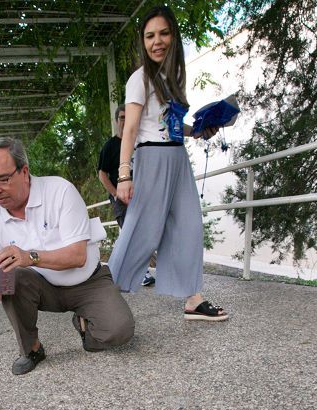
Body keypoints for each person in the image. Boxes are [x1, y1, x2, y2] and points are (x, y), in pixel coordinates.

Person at [0, 137, 135, 375]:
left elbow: (77, 256)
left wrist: (29, 257)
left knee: (120, 331)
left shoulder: (60, 191)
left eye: (3, 179)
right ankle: (32, 349)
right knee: (13, 277)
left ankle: (84, 324)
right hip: (42, 288)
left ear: (24, 172)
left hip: (87, 281)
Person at [108, 5, 229, 321]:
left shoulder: (173, 77)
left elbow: (168, 124)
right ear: (143, 41)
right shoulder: (140, 79)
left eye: (163, 33)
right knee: (143, 230)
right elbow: (131, 129)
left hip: (178, 157)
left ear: (173, 36)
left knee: (189, 225)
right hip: (152, 158)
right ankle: (103, 295)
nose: (157, 41)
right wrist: (124, 174)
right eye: (149, 36)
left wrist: (198, 131)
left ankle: (193, 298)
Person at [98, 103, 155, 287]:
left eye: (128, 117)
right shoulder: (110, 146)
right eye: (122, 117)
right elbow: (102, 174)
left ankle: (118, 269)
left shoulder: (140, 143)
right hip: (121, 197)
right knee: (131, 232)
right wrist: (115, 193)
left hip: (142, 196)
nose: (125, 121)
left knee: (146, 232)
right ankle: (141, 273)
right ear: (117, 120)